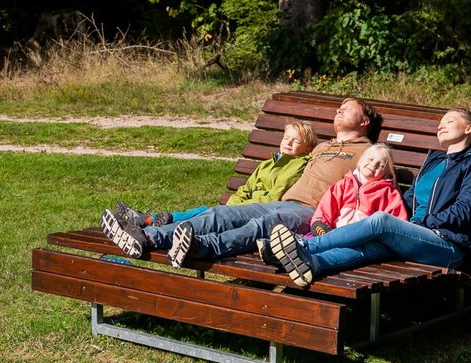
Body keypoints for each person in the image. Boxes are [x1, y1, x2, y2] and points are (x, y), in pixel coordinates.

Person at [101, 97, 375, 265]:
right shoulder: (321, 147)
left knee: (263, 226)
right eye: (339, 107)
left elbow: (376, 190)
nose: (339, 110)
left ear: (363, 122)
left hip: (311, 212)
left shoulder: (369, 152)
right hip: (282, 201)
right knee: (222, 213)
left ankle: (202, 247)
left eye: (347, 108)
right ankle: (148, 237)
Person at [265, 108, 471, 288]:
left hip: (447, 244)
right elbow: (410, 199)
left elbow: (465, 210)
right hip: (415, 236)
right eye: (440, 122)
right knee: (369, 245)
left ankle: (303, 244)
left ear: (469, 128)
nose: (441, 125)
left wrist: (420, 223)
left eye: (449, 120)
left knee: (381, 221)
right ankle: (313, 263)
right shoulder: (433, 161)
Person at [119, 121, 317, 231]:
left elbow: (274, 197)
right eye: (286, 138)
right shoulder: (268, 163)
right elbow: (246, 188)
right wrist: (234, 202)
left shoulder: (298, 167)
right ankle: (148, 221)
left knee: (207, 215)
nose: (288, 143)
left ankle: (148, 224)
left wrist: (236, 207)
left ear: (307, 148)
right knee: (204, 211)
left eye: (295, 141)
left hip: (256, 214)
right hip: (238, 208)